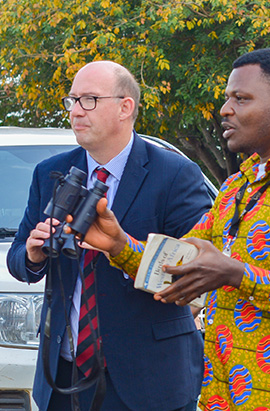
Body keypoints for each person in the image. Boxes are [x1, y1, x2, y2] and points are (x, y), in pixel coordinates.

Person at [75, 48, 270, 410]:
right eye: (227, 98)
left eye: (241, 99)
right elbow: (181, 263)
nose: (225, 109)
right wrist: (118, 245)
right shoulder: (237, 187)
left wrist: (236, 274)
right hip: (215, 398)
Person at [6, 61, 212, 410]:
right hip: (63, 377)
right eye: (72, 100)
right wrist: (32, 253)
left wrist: (123, 248)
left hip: (148, 379)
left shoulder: (176, 174)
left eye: (89, 99)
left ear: (125, 107)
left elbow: (198, 271)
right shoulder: (49, 173)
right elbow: (17, 260)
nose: (75, 112)